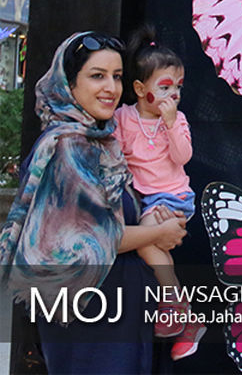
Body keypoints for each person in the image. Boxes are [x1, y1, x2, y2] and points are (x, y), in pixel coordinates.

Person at [0, 32, 188, 374]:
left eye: (116, 77)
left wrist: (152, 228)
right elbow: (93, 237)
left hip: (117, 318)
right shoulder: (67, 149)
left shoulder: (102, 144)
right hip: (90, 325)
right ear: (69, 84)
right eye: (97, 75)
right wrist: (157, 233)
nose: (111, 88)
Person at [112, 26, 205, 359]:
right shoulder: (124, 118)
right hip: (145, 198)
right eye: (164, 87)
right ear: (139, 89)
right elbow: (117, 155)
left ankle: (176, 304)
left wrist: (169, 124)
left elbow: (183, 157)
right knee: (150, 245)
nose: (173, 96)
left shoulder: (177, 121)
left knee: (147, 242)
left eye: (178, 88)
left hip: (174, 196)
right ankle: (186, 314)